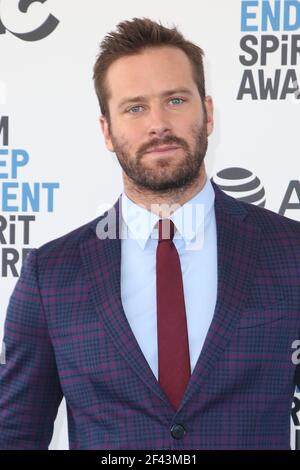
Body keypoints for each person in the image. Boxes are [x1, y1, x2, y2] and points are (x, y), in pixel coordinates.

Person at [0, 17, 299, 450]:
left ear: (208, 112)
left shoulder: (290, 252)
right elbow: (15, 436)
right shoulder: (51, 275)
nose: (158, 123)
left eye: (175, 100)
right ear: (107, 130)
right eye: (134, 108)